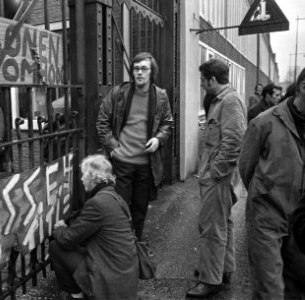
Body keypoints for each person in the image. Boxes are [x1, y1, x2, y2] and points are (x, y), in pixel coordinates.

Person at [239, 67, 305, 299]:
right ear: (303, 87)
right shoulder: (264, 123)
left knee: (295, 288)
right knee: (271, 290)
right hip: (267, 218)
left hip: (300, 224)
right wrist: (265, 195)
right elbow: (246, 167)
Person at [96, 52, 173, 240]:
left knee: (140, 208)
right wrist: (113, 147)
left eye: (144, 68)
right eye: (136, 68)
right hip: (122, 162)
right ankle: (121, 245)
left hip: (146, 165)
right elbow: (102, 121)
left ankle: (135, 243)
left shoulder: (161, 96)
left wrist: (158, 139)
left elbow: (168, 123)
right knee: (120, 208)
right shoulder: (118, 93)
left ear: (151, 71)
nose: (139, 72)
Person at [187, 59, 247, 298]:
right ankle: (223, 269)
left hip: (219, 178)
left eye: (203, 80)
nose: (202, 85)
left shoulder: (229, 101)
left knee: (212, 228)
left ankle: (210, 280)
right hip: (218, 177)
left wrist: (215, 172)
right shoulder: (222, 101)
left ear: (212, 79)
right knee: (224, 225)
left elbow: (234, 141)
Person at [49, 154, 138, 300]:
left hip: (110, 279)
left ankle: (75, 296)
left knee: (56, 246)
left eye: (84, 175)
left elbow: (67, 239)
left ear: (93, 177)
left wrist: (60, 228)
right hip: (126, 276)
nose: (82, 178)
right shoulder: (116, 197)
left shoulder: (97, 203)